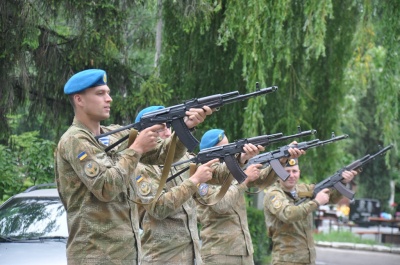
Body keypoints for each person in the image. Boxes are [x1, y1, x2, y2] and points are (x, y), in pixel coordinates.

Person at [55, 69, 212, 265]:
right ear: (79, 100)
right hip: (94, 255)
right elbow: (106, 187)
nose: (109, 99)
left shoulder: (112, 134)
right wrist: (136, 148)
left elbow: (162, 155)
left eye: (108, 93)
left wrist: (185, 128)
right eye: (100, 93)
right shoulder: (75, 139)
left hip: (126, 254)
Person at [135, 107, 260, 265]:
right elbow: (158, 207)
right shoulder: (140, 167)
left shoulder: (182, 160)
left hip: (192, 255)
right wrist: (194, 181)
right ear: (144, 133)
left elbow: (216, 175)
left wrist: (241, 159)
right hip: (162, 257)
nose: (167, 133)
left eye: (168, 126)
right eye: (160, 129)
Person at [196, 129, 304, 265]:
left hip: (244, 250)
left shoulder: (231, 171)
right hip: (218, 253)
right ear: (210, 152)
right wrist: (244, 180)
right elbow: (220, 205)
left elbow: (262, 179)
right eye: (224, 149)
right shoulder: (201, 177)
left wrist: (282, 159)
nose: (230, 155)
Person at [263, 158, 358, 265]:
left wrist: (343, 182)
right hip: (285, 261)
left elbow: (331, 197)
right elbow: (288, 214)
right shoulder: (274, 194)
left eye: (294, 171)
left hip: (308, 260)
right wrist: (316, 202)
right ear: (279, 173)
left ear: (299, 172)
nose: (291, 175)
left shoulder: (304, 190)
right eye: (287, 171)